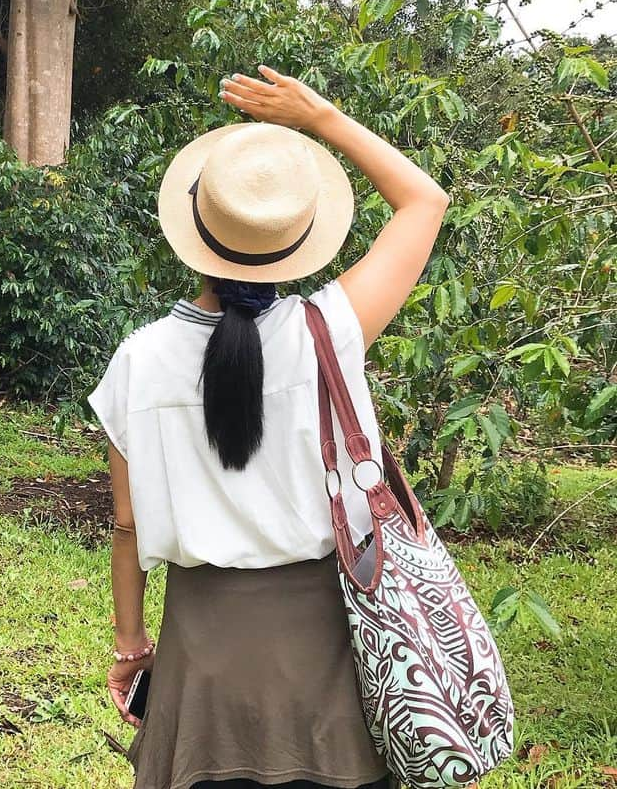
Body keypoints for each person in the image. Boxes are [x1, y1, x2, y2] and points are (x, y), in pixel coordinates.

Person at [88, 64, 451, 789]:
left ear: (190, 227)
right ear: (297, 237)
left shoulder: (136, 362)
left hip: (201, 663)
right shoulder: (332, 331)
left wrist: (131, 643)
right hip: (327, 660)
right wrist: (320, 117)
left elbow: (127, 529)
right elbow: (425, 200)